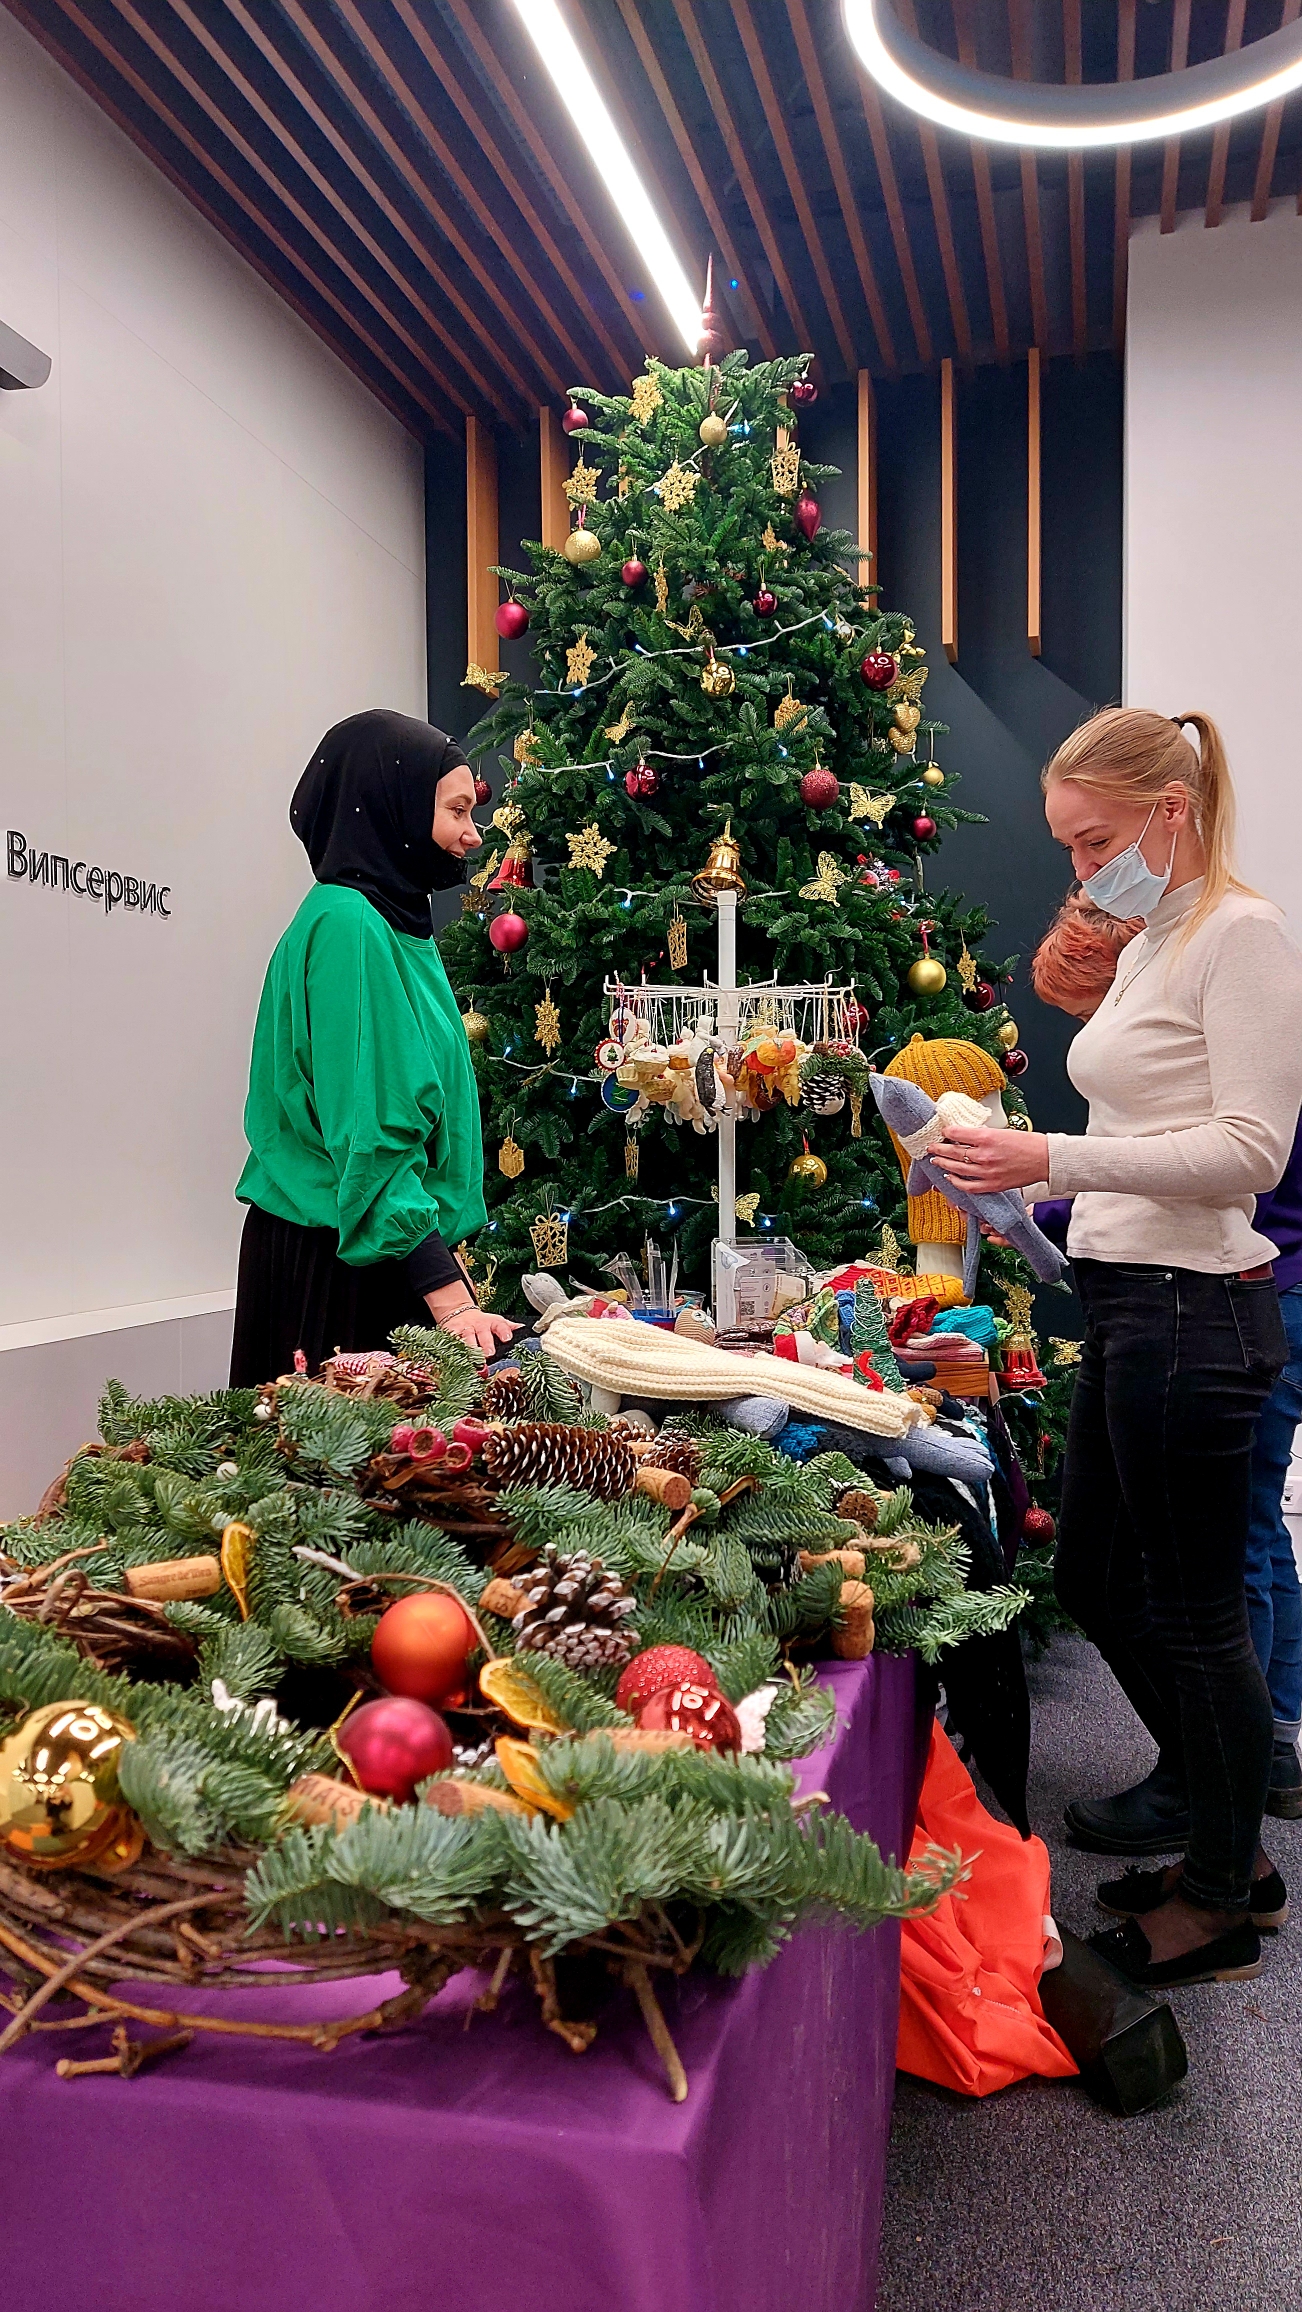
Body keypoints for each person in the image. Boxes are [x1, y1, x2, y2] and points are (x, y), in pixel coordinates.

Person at [930, 707, 1302, 1989]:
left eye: (1096, 843)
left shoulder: (1241, 935)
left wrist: (1051, 1155)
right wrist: (1020, 1180)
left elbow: (1250, 1149)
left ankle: (1224, 1894)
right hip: (1136, 1298)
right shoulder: (1158, 942)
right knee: (1093, 1568)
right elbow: (1143, 1140)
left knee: (1198, 1613)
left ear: (1169, 812)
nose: (1084, 872)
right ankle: (1221, 1830)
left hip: (1198, 1308)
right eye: (1071, 849)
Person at [1031, 893, 1302, 1822]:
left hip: (1228, 1293)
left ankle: (1245, 1787)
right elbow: (1145, 1166)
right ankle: (1241, 1770)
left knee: (1219, 1576)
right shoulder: (1188, 977)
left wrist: (1052, 1171)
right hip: (1181, 1292)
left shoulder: (1240, 957)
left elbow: (1243, 1170)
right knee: (1205, 1554)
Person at [230, 709, 517, 1384]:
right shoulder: (350, 926)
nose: (473, 835)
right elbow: (372, 1134)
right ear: (393, 807)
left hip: (373, 1243)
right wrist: (449, 1301)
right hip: (339, 1263)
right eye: (456, 811)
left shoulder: (391, 926)